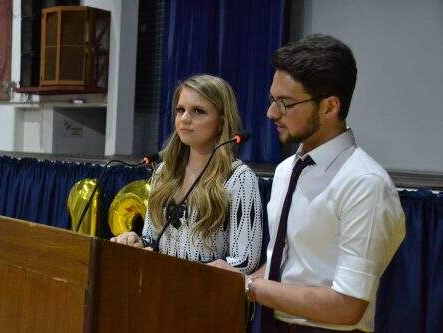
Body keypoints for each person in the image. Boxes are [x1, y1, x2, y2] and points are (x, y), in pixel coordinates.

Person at [213, 35, 406, 332]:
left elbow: (347, 306)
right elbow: (287, 268)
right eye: (271, 100)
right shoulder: (286, 169)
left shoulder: (365, 183)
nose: (271, 113)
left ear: (329, 107)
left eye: (285, 103)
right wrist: (235, 280)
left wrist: (248, 285)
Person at [111, 74, 263, 274]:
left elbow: (245, 261)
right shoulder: (163, 171)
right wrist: (135, 241)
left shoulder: (240, 178)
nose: (184, 119)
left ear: (221, 123)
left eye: (198, 111)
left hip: (206, 294)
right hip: (160, 289)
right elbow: (152, 240)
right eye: (180, 110)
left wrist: (192, 275)